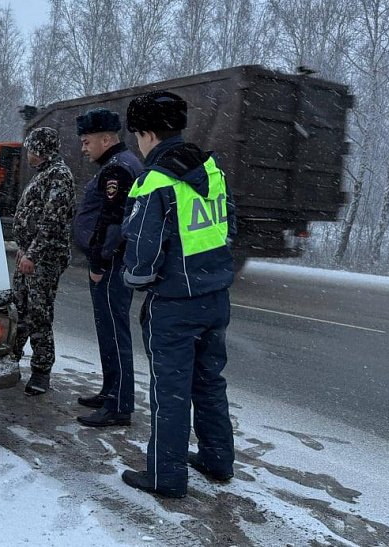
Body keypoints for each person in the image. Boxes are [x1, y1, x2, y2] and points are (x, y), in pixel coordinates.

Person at [118, 91, 236, 498]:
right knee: (209, 383)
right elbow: (229, 229)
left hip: (174, 305)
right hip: (216, 298)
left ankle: (165, 476)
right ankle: (218, 460)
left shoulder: (155, 181)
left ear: (148, 134)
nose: (137, 142)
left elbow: (143, 255)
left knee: (170, 391)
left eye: (138, 134)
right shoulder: (213, 170)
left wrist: (136, 279)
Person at [71, 108, 143, 427]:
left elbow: (114, 221)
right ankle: (110, 390)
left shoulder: (119, 169)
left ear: (106, 138)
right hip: (108, 261)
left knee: (115, 332)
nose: (83, 148)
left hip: (111, 264)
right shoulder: (115, 165)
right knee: (107, 330)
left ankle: (119, 405)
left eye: (87, 142)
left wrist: (99, 261)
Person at [10, 127, 76, 395]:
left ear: (40, 150)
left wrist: (33, 254)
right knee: (18, 310)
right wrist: (23, 248)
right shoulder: (44, 174)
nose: (28, 154)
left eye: (31, 149)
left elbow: (53, 221)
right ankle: (10, 360)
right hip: (30, 255)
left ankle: (40, 371)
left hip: (43, 260)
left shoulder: (59, 175)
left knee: (38, 313)